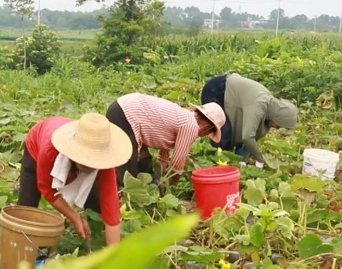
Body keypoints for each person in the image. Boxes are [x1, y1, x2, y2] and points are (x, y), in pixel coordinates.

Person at [18, 113, 132, 247]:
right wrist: (75, 218)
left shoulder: (105, 163)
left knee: (97, 200)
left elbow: (111, 208)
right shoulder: (50, 149)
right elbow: (46, 188)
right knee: (25, 210)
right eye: (85, 162)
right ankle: (1, 247)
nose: (89, 165)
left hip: (71, 154)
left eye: (93, 163)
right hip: (37, 145)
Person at [105, 93, 226, 187]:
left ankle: (145, 196)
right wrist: (172, 183)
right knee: (128, 166)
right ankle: (126, 199)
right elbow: (177, 163)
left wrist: (160, 179)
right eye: (209, 132)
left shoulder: (180, 118)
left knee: (144, 161)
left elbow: (163, 157)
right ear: (208, 127)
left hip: (122, 108)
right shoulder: (191, 125)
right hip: (125, 113)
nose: (203, 136)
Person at [200, 73, 299, 167]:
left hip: (231, 94)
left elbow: (252, 137)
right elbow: (247, 137)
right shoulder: (259, 105)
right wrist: (260, 159)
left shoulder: (269, 110)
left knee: (239, 131)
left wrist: (244, 161)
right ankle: (218, 161)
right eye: (279, 125)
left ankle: (236, 161)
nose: (277, 128)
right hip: (217, 89)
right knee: (224, 132)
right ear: (278, 117)